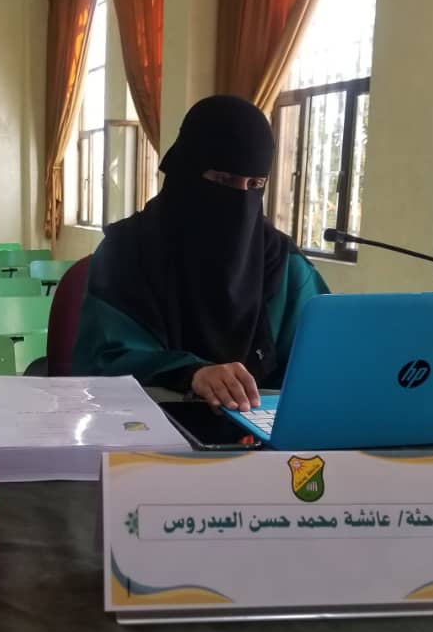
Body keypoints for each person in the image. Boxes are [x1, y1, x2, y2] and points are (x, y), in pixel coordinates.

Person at [71, 95, 329, 412]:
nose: (239, 199)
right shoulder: (126, 252)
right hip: (149, 426)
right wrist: (190, 372)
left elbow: (326, 354)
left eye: (254, 184)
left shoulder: (281, 262)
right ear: (186, 171)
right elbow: (101, 361)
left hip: (262, 430)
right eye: (223, 179)